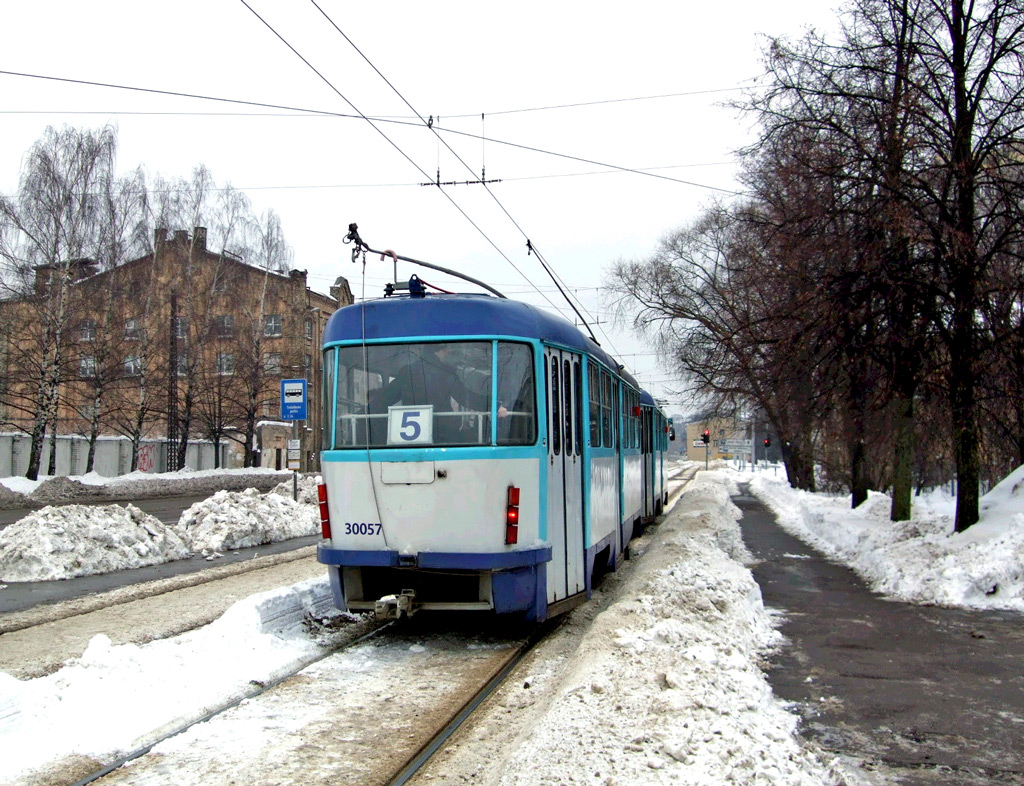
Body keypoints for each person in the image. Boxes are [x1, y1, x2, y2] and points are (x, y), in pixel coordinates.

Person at [369, 345, 505, 444]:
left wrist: (362, 413)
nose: (446, 353)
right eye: (445, 350)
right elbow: (465, 398)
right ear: (439, 352)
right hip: (443, 433)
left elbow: (384, 398)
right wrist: (495, 406)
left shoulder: (406, 372)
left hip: (407, 435)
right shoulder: (446, 372)